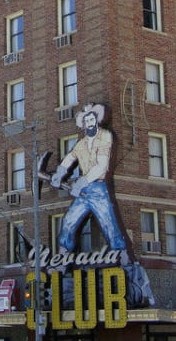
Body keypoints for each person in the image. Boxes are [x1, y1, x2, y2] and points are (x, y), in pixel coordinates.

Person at [51, 103, 127, 254]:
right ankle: (62, 256)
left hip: (99, 189)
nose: (90, 123)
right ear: (83, 124)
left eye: (92, 119)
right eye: (87, 121)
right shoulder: (81, 143)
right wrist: (59, 173)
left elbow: (102, 165)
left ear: (96, 120)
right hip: (83, 191)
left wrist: (83, 180)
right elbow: (69, 158)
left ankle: (124, 258)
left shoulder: (105, 135)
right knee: (69, 221)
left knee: (109, 224)